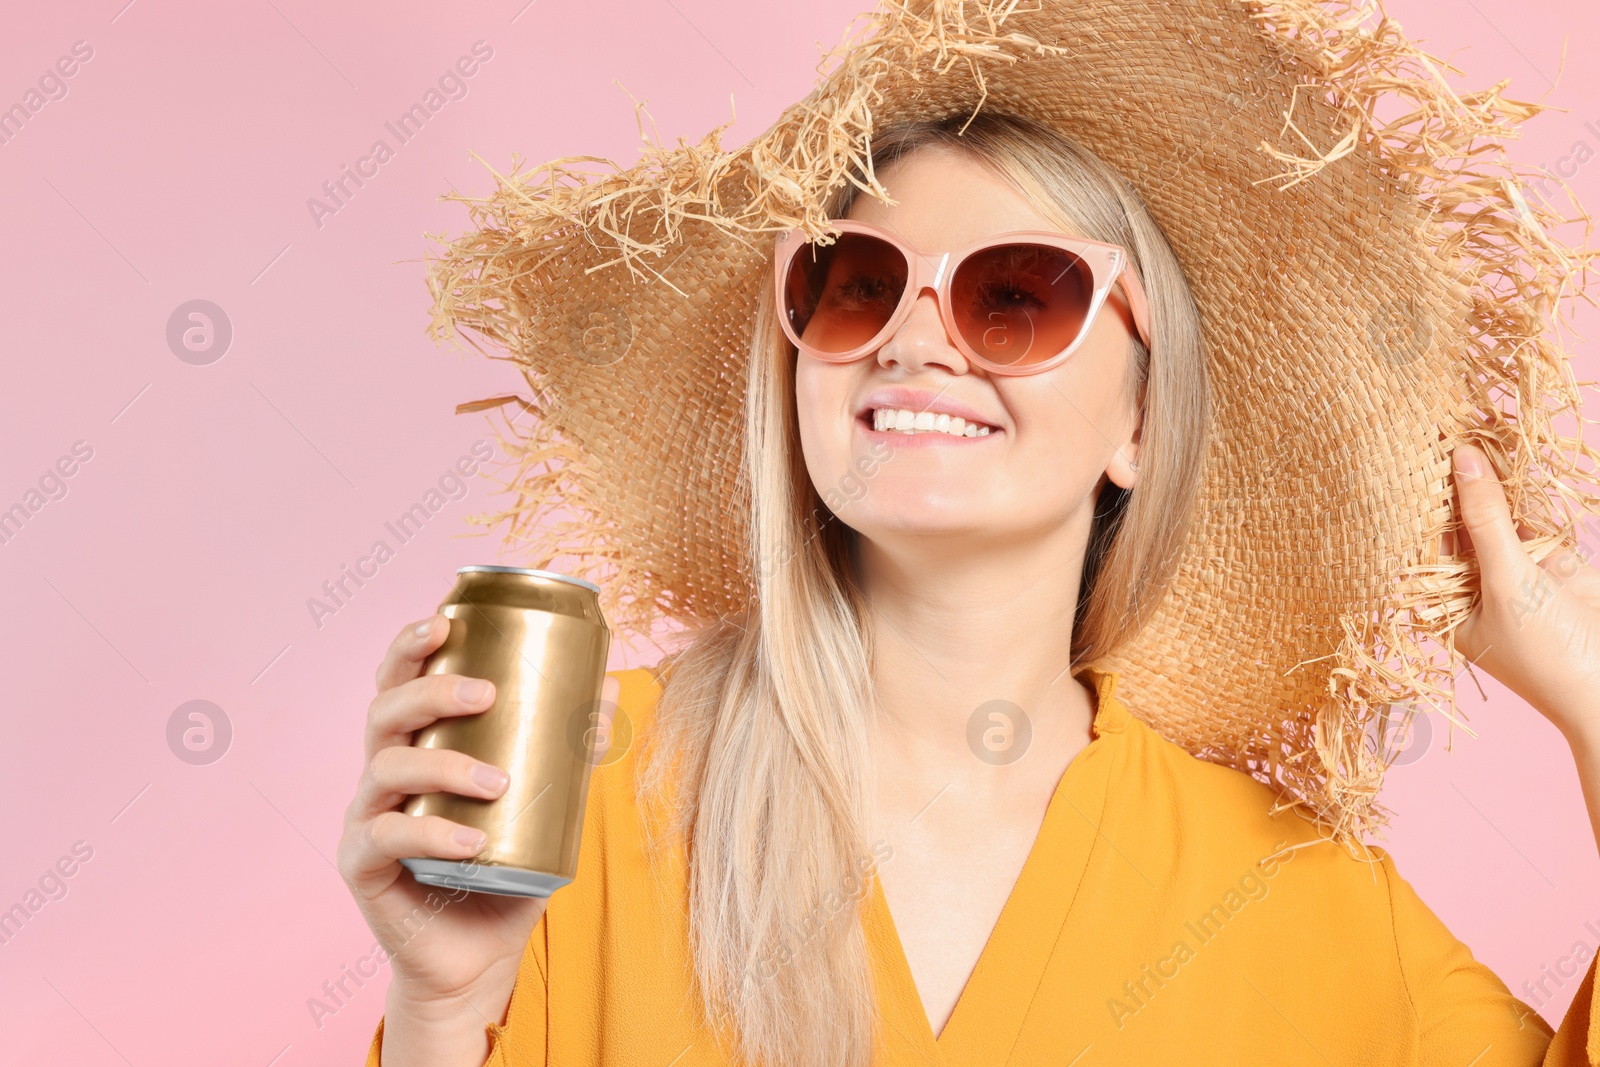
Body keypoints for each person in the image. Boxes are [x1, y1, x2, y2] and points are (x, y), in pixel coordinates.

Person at [339, 3, 1600, 1065]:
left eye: (1015, 296)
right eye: (857, 284)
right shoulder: (578, 789)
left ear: (1142, 424)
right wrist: (443, 1004)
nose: (913, 337)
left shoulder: (1307, 904)